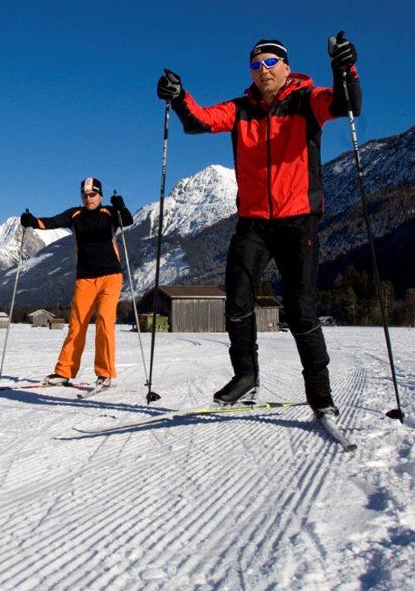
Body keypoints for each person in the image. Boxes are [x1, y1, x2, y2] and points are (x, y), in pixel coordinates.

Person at [156, 32, 361, 418]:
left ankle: (320, 394)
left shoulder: (307, 99)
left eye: (270, 63)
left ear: (286, 67)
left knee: (301, 308)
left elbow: (348, 103)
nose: (263, 70)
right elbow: (198, 121)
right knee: (235, 299)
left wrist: (344, 67)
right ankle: (246, 376)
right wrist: (179, 96)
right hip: (252, 222)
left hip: (298, 220)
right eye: (256, 65)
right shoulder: (240, 109)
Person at [20, 178, 133, 390]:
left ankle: (105, 373)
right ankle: (64, 372)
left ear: (100, 195)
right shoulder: (75, 215)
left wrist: (121, 205)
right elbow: (51, 222)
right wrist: (31, 221)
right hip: (85, 278)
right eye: (85, 195)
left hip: (111, 276)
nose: (88, 199)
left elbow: (127, 221)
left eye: (92, 195)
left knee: (104, 321)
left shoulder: (110, 213)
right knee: (77, 325)